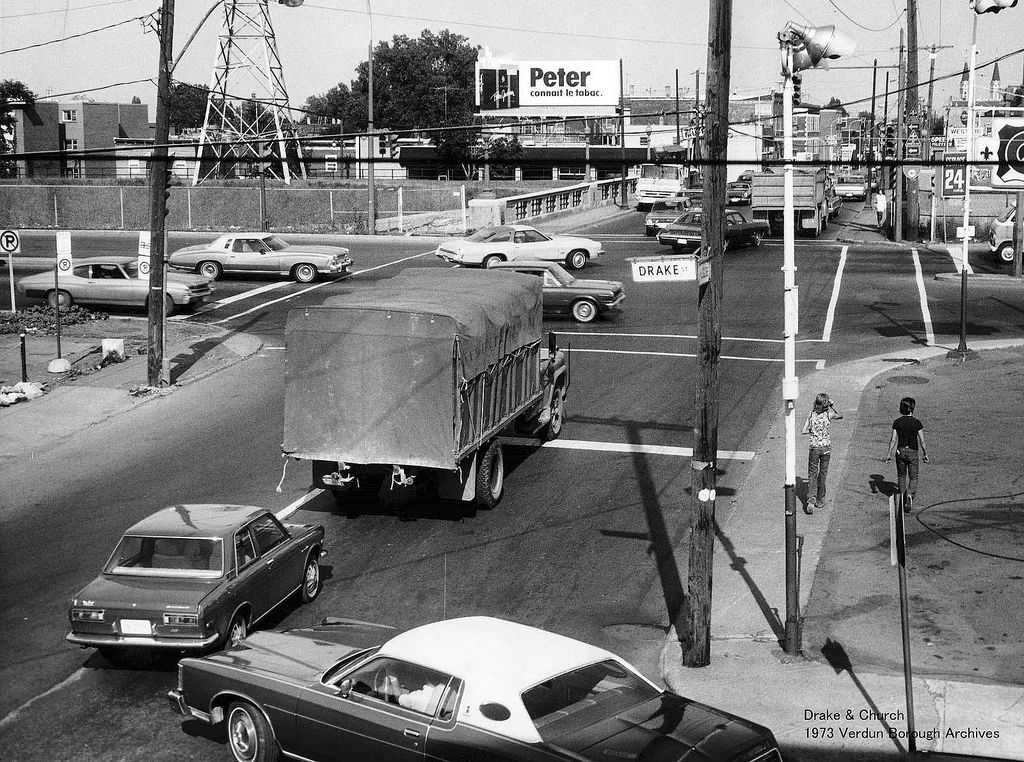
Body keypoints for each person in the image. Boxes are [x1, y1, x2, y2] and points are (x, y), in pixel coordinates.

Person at [801, 392, 843, 514]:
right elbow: (840, 416)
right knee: (823, 474)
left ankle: (811, 498)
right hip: (826, 447)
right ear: (826, 404)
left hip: (814, 447)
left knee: (813, 473)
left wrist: (813, 431)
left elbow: (803, 431)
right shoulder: (828, 415)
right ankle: (820, 499)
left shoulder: (811, 414)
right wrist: (832, 405)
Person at [885, 396, 928, 512]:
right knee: (913, 476)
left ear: (901, 409)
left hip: (900, 451)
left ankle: (903, 496)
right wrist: (925, 453)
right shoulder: (917, 423)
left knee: (901, 475)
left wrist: (889, 454)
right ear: (913, 408)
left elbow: (893, 439)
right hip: (913, 451)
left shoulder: (897, 422)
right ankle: (909, 494)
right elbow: (922, 440)